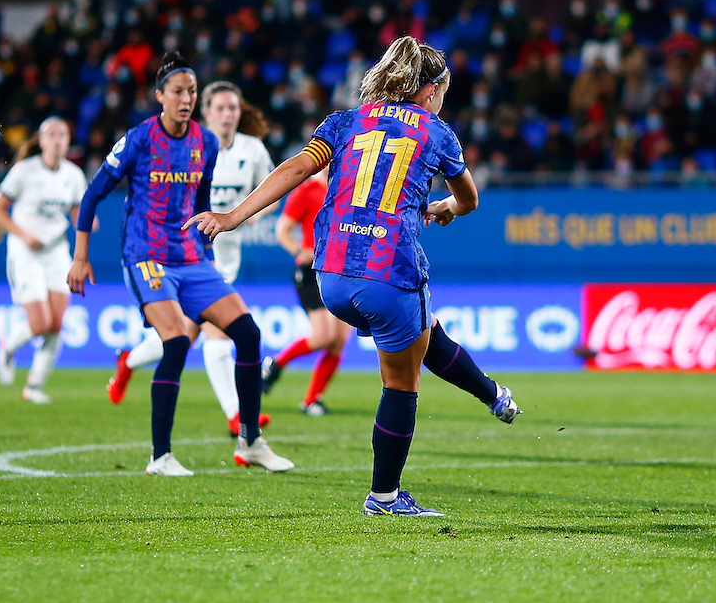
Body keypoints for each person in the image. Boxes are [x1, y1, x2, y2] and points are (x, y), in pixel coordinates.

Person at [187, 36, 519, 517]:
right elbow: (469, 200)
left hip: (332, 274)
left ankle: (493, 395)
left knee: (424, 334)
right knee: (402, 383)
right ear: (429, 91)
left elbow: (299, 166)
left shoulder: (345, 121)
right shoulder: (437, 131)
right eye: (443, 89)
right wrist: (445, 208)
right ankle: (384, 497)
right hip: (389, 271)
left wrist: (233, 216)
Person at [69, 51, 292, 477]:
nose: (186, 98)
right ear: (160, 96)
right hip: (146, 257)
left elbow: (202, 204)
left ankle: (249, 442)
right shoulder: (138, 139)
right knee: (175, 343)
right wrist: (80, 257)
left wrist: (206, 254)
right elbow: (93, 193)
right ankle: (161, 456)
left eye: (191, 91)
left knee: (247, 333)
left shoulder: (204, 143)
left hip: (191, 258)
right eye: (178, 91)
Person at [106, 83, 276, 439]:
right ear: (206, 112)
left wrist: (245, 214)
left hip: (225, 257)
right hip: (185, 258)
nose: (228, 114)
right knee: (213, 335)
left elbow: (271, 193)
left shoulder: (253, 149)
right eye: (221, 108)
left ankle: (127, 362)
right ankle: (237, 419)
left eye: (233, 108)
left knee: (182, 335)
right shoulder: (190, 148)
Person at [0, 117, 88, 403]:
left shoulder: (73, 174)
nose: (58, 140)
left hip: (56, 251)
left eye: (63, 135)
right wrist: (22, 234)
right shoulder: (24, 171)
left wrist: (85, 222)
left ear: (68, 142)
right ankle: (7, 348)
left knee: (56, 323)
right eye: (52, 135)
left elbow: (74, 213)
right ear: (42, 140)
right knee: (40, 321)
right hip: (25, 251)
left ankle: (34, 386)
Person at [261, 166, 354, 416]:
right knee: (323, 336)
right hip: (312, 271)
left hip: (341, 270)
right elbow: (283, 230)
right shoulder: (307, 190)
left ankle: (312, 400)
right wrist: (299, 251)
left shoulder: (348, 189)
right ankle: (276, 363)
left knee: (339, 340)